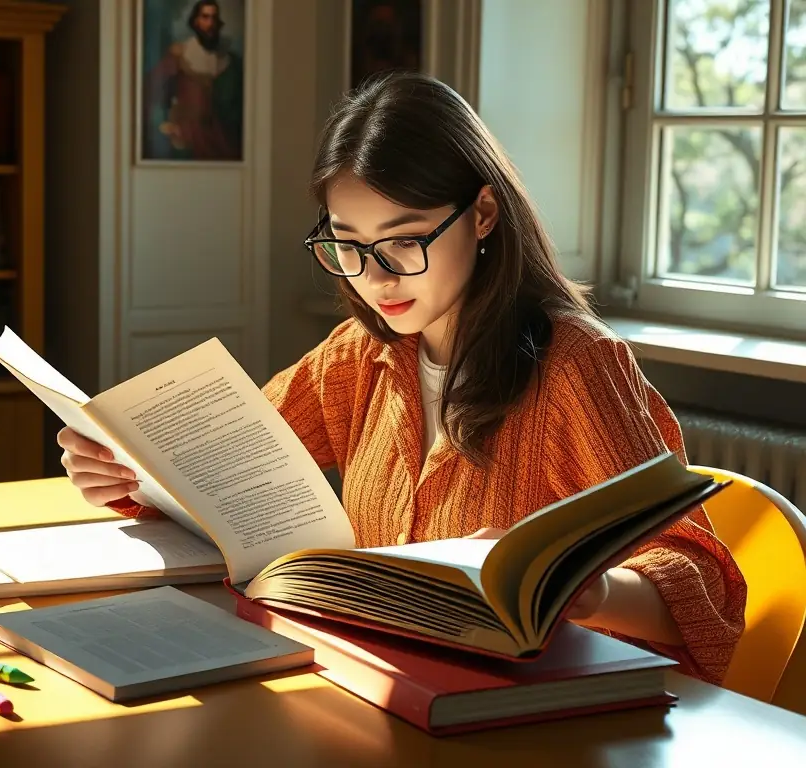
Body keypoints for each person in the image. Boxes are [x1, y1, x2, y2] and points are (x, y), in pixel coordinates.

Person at [59, 71, 747, 685]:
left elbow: (704, 585)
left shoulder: (577, 366)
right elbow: (224, 474)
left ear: (482, 214)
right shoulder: (358, 355)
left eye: (404, 240)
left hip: (541, 716)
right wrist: (127, 471)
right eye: (348, 245)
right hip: (388, 687)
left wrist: (570, 586)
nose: (376, 277)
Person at [141, 0, 243, 161]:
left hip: (221, 140)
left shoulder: (230, 61)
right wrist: (163, 123)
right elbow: (152, 90)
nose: (210, 24)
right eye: (205, 17)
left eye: (214, 18)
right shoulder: (179, 56)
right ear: (195, 21)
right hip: (188, 139)